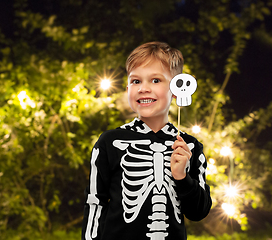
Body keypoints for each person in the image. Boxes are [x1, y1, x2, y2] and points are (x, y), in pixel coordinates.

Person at [81, 42, 212, 240]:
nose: (143, 89)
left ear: (177, 88)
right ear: (127, 89)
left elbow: (198, 212)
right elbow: (95, 202)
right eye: (136, 81)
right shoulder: (110, 142)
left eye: (155, 80)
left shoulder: (190, 147)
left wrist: (182, 178)